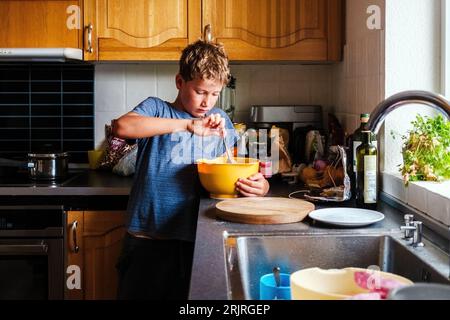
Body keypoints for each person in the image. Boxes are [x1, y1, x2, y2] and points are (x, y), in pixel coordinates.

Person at [112, 39, 270, 300]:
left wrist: (259, 186)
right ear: (179, 82)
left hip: (199, 241)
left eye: (214, 93)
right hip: (149, 241)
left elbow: (235, 171)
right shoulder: (158, 109)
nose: (207, 102)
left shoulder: (220, 121)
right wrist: (185, 126)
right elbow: (122, 127)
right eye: (200, 91)